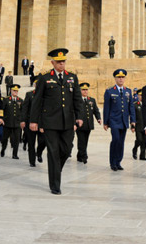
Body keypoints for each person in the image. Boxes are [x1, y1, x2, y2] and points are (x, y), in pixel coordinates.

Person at [30, 48, 83, 195]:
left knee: (67, 149)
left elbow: (77, 99)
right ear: (53, 62)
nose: (61, 64)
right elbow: (37, 101)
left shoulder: (72, 77)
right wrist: (34, 121)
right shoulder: (44, 78)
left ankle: (55, 169)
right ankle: (55, 185)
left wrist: (79, 117)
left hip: (67, 121)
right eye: (59, 62)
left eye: (63, 62)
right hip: (50, 122)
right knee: (53, 152)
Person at [103, 69, 135, 171]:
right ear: (115, 78)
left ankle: (118, 162)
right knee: (116, 140)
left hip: (124, 121)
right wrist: (105, 122)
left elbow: (131, 107)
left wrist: (133, 121)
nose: (121, 79)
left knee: (121, 142)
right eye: (119, 77)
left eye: (122, 77)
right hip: (114, 120)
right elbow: (106, 108)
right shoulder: (109, 91)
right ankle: (112, 162)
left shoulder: (128, 91)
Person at [75, 82, 101, 164]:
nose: (85, 91)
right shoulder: (77, 100)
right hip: (79, 125)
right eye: (83, 90)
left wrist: (99, 118)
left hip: (88, 124)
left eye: (86, 90)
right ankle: (84, 156)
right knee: (81, 140)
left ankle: (79, 155)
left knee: (85, 141)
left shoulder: (91, 100)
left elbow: (96, 110)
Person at [21, 75, 44, 167]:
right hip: (30, 122)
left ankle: (39, 153)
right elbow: (24, 109)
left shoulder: (46, 95)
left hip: (42, 123)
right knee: (31, 142)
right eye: (36, 84)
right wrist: (23, 120)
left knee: (43, 141)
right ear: (34, 85)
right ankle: (32, 161)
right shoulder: (29, 94)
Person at [1, 84, 22, 159]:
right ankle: (3, 149)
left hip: (17, 124)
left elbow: (22, 111)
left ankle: (15, 154)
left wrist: (22, 121)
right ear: (10, 91)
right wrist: (2, 119)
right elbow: (2, 110)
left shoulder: (20, 100)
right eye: (14, 91)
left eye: (17, 91)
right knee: (4, 139)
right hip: (7, 123)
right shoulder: (6, 100)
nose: (15, 92)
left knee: (16, 140)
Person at [131, 90, 146, 161]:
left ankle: (142, 156)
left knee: (144, 142)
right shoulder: (135, 105)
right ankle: (135, 149)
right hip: (138, 126)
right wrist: (132, 126)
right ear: (138, 96)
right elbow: (133, 116)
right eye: (140, 95)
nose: (142, 97)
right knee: (139, 140)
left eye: (143, 95)